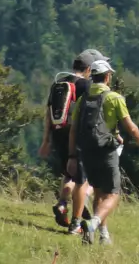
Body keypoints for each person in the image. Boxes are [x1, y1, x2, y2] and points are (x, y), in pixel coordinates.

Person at [68, 59, 139, 245]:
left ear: (92, 76)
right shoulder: (114, 98)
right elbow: (130, 126)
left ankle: (102, 235)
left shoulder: (82, 100)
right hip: (106, 151)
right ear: (108, 76)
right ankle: (94, 223)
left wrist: (71, 155)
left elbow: (73, 129)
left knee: (99, 193)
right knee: (113, 194)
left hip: (86, 151)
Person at [39, 49, 106, 234]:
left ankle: (62, 204)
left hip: (57, 131)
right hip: (76, 134)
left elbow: (48, 114)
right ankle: (76, 218)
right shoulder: (85, 85)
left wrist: (46, 140)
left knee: (69, 172)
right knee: (83, 178)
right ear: (89, 69)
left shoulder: (59, 83)